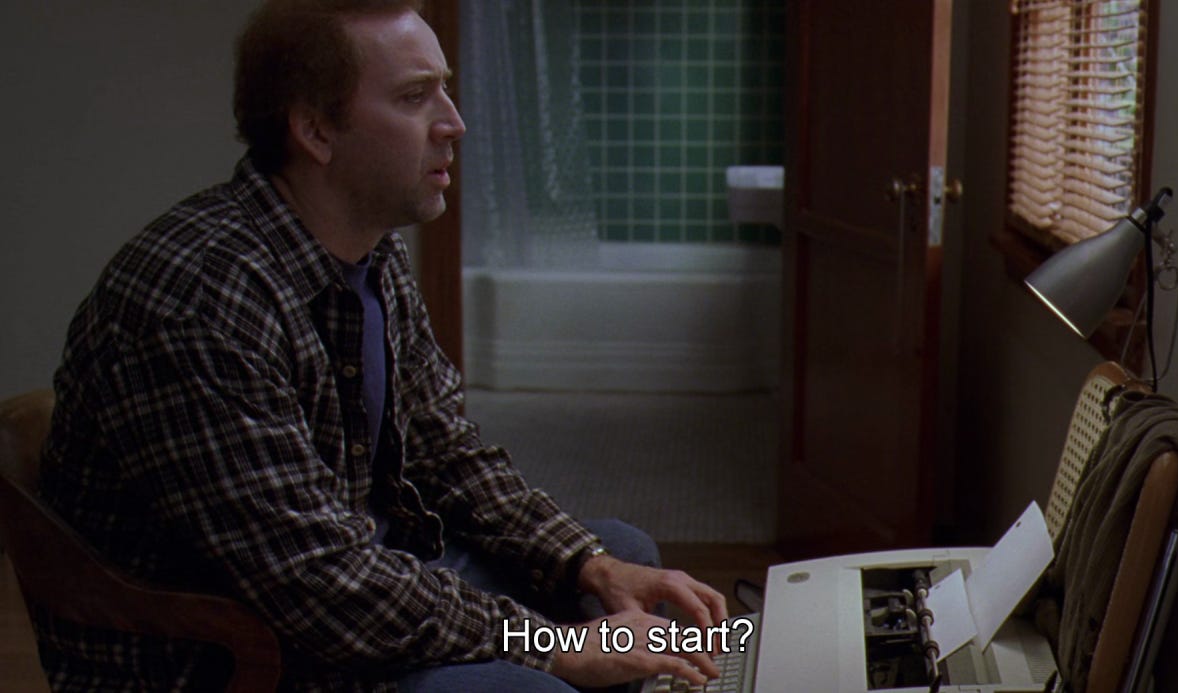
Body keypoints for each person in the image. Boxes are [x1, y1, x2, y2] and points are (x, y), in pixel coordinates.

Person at [35, 0, 728, 690]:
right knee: (542, 679)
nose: (454, 123)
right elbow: (318, 583)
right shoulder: (197, 303)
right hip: (247, 648)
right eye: (414, 97)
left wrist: (589, 563)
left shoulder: (369, 252)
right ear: (315, 130)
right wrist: (550, 646)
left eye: (444, 89)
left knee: (621, 559)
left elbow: (443, 452)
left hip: (358, 574)